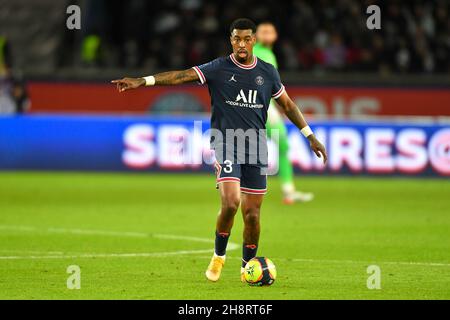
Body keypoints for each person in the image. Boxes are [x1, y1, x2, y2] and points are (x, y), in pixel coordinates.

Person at [112, 18, 327, 282]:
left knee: (253, 214)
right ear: (231, 40)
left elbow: (288, 105)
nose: (242, 44)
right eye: (236, 38)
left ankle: (247, 267)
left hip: (256, 146)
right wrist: (142, 81)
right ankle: (219, 256)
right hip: (226, 143)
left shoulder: (268, 72)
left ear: (254, 41)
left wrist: (310, 136)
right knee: (231, 203)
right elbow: (182, 76)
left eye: (247, 39)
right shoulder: (219, 68)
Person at [254, 22, 314, 204]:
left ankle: (286, 190)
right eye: (263, 31)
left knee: (267, 147)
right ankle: (288, 191)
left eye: (270, 31)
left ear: (275, 35)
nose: (267, 34)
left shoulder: (266, 53)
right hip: (262, 108)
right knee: (281, 145)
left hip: (260, 106)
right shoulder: (259, 53)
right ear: (256, 35)